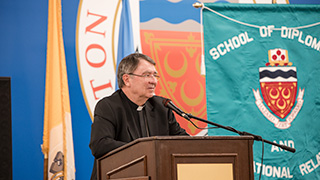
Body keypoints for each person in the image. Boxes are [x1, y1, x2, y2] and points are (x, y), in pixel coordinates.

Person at [89, 53, 189, 180]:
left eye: (155, 75)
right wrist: (146, 151)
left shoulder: (162, 107)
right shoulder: (108, 106)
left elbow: (183, 141)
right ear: (126, 79)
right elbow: (100, 145)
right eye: (147, 75)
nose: (153, 81)